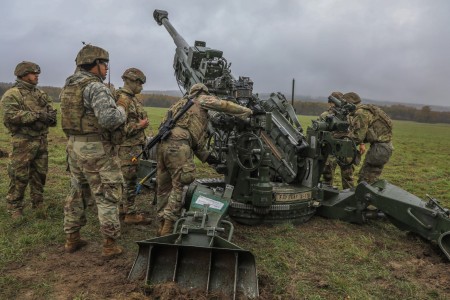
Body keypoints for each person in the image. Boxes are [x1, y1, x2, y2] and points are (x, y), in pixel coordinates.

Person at [157, 83, 252, 236]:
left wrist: (211, 160)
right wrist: (247, 111)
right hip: (178, 146)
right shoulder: (200, 99)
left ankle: (161, 222)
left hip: (162, 146)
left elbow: (196, 144)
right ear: (202, 93)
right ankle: (168, 227)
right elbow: (224, 105)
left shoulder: (179, 106)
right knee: (180, 184)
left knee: (164, 186)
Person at [60, 44, 128, 257]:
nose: (107, 68)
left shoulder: (69, 86)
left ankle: (72, 238)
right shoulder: (95, 87)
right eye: (104, 64)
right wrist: (122, 107)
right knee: (107, 193)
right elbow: (109, 119)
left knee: (77, 192)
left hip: (73, 146)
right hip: (95, 148)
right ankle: (109, 245)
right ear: (93, 64)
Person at [1, 61, 57, 218]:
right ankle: (14, 206)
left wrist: (50, 118)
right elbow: (10, 116)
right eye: (33, 73)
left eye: (37, 73)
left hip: (41, 140)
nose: (36, 76)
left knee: (40, 174)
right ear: (23, 75)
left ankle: (38, 203)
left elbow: (51, 112)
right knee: (19, 175)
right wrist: (38, 115)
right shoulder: (12, 94)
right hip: (23, 141)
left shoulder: (40, 94)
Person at [116, 68, 151, 225]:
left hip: (134, 146)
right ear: (130, 81)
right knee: (129, 181)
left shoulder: (133, 99)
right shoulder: (123, 100)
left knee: (127, 180)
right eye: (139, 83)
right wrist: (140, 125)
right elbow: (120, 128)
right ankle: (130, 213)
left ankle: (123, 208)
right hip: (127, 148)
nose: (141, 87)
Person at [345, 92, 394, 184]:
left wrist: (343, 142)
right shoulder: (367, 109)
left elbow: (358, 137)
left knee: (366, 182)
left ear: (349, 104)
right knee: (366, 178)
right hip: (382, 148)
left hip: (379, 149)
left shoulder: (361, 112)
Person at [320, 92, 356, 189]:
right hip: (345, 148)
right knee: (347, 177)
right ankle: (349, 198)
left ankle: (327, 196)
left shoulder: (325, 115)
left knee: (328, 177)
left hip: (331, 149)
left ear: (331, 103)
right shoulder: (349, 116)